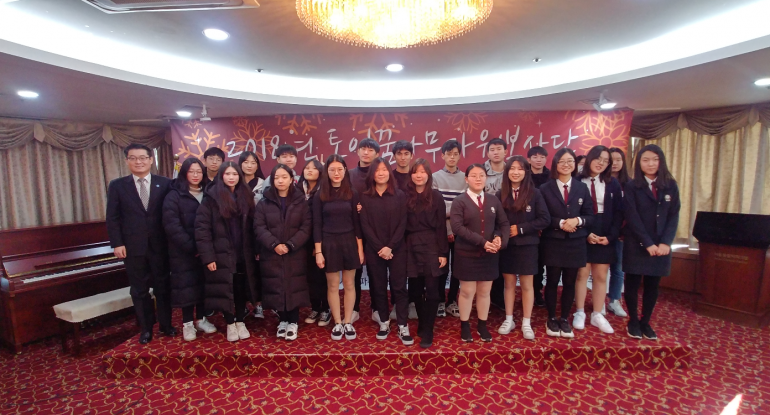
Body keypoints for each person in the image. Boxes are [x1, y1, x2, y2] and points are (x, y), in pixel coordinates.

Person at [106, 143, 174, 344]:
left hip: (160, 246)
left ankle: (166, 324)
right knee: (139, 289)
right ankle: (146, 329)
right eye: (133, 158)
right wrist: (117, 243)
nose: (139, 162)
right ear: (127, 161)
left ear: (151, 160)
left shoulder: (165, 183)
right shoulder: (118, 186)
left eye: (143, 158)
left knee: (163, 286)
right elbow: (112, 217)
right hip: (133, 247)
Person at [195, 162, 258, 342]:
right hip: (221, 253)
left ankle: (240, 321)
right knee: (225, 288)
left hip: (242, 252)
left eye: (235, 174)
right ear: (221, 176)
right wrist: (208, 257)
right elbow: (202, 230)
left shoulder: (246, 195)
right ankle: (230, 323)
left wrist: (255, 250)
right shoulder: (211, 198)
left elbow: (254, 226)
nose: (231, 177)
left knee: (240, 288)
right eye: (228, 174)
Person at [622, 144, 680, 340]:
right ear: (639, 163)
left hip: (661, 244)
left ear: (661, 161)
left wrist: (666, 242)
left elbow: (673, 216)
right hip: (637, 242)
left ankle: (645, 321)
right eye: (645, 160)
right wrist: (647, 243)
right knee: (632, 283)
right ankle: (633, 321)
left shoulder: (670, 185)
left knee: (653, 285)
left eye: (655, 159)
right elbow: (632, 216)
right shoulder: (632, 186)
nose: (651, 164)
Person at [450, 164, 509, 342]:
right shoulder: (459, 201)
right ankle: (465, 326)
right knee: (467, 291)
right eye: (473, 176)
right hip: (466, 254)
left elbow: (503, 223)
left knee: (485, 291)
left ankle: (482, 325)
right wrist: (483, 243)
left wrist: (499, 238)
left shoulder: (493, 200)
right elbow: (457, 227)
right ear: (466, 179)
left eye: (481, 175)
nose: (478, 179)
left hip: (489, 255)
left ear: (486, 178)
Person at [539, 148, 594, 339]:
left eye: (570, 161)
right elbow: (543, 216)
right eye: (562, 161)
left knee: (570, 281)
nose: (566, 164)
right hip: (553, 241)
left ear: (575, 164)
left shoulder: (582, 188)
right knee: (552, 280)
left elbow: (590, 216)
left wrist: (577, 221)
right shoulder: (545, 188)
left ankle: (564, 318)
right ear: (555, 164)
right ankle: (551, 317)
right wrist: (561, 223)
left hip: (576, 243)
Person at [254, 164, 313, 341]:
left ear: (291, 180)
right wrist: (274, 244)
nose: (280, 181)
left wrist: (290, 244)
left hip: (295, 252)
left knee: (294, 286)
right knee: (276, 285)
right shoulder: (264, 202)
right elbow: (259, 227)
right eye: (277, 177)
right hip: (272, 253)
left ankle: (293, 322)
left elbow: (306, 227)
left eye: (284, 177)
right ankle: (283, 320)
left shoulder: (301, 202)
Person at [162, 158, 218, 341]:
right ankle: (187, 323)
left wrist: (205, 248)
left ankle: (201, 319)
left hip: (206, 250)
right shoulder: (174, 195)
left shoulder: (209, 193)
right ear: (184, 173)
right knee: (186, 287)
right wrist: (193, 247)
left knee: (203, 285)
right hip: (183, 252)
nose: (195, 175)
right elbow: (172, 226)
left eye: (199, 172)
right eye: (191, 171)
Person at [495, 156, 550, 340]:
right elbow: (496, 221)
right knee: (508, 284)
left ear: (526, 172)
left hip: (528, 245)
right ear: (507, 171)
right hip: (508, 246)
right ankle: (509, 319)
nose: (515, 172)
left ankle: (526, 322)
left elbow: (544, 219)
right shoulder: (500, 193)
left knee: (527, 285)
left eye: (520, 169)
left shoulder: (535, 193)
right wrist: (499, 236)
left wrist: (520, 229)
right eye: (512, 168)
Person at [359, 158, 412, 345]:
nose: (381, 173)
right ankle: (384, 322)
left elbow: (403, 223)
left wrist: (390, 246)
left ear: (389, 172)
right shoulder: (365, 197)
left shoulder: (399, 195)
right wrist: (379, 248)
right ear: (372, 174)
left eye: (384, 170)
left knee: (399, 287)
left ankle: (403, 324)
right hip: (374, 250)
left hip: (397, 249)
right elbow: (365, 225)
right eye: (377, 170)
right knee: (378, 287)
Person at [313, 155, 365, 341]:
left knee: (350, 284)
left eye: (340, 169)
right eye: (332, 170)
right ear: (326, 172)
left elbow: (357, 224)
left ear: (345, 171)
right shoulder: (320, 194)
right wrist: (319, 252)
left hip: (349, 242)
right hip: (329, 243)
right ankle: (337, 323)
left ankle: (348, 321)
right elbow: (317, 225)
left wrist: (360, 249)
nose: (336, 173)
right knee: (333, 285)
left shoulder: (352, 193)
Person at [573, 146, 623, 334]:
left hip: (605, 232)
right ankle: (579, 312)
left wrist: (610, 237)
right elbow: (573, 211)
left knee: (601, 275)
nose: (601, 163)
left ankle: (597, 314)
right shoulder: (577, 181)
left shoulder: (613, 184)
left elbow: (619, 213)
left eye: (606, 160)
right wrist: (585, 233)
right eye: (598, 158)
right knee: (582, 274)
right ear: (590, 158)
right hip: (583, 229)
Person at [405, 159, 449, 348]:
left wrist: (443, 252)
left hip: (432, 245)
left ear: (428, 175)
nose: (419, 175)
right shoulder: (404, 196)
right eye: (416, 172)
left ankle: (428, 329)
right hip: (410, 245)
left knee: (432, 291)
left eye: (423, 172)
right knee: (415, 290)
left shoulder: (436, 196)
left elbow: (441, 226)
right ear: (411, 175)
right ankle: (423, 322)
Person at [432, 140, 467, 318]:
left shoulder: (466, 178)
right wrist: (447, 229)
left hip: (460, 231)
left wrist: (454, 227)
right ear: (442, 156)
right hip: (440, 232)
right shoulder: (435, 177)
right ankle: (439, 301)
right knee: (441, 268)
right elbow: (435, 209)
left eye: (455, 154)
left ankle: (451, 300)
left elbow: (466, 208)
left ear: (460, 156)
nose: (452, 157)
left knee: (458, 269)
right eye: (448, 154)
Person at [348, 138, 381, 324]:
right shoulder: (349, 175)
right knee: (355, 272)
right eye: (363, 149)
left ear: (377, 154)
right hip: (353, 229)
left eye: (370, 150)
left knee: (376, 271)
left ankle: (377, 307)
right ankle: (354, 308)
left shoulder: (380, 174)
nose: (366, 153)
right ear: (358, 151)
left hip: (376, 230)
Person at [298, 159, 331, 327]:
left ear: (321, 172)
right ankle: (315, 307)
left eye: (314, 168)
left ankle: (326, 308)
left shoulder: (325, 190)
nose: (309, 170)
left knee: (322, 277)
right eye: (307, 167)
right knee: (309, 277)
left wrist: (319, 244)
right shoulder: (297, 189)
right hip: (301, 241)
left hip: (320, 240)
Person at [391, 140, 418, 321]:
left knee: (414, 268)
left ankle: (414, 302)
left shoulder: (417, 175)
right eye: (399, 154)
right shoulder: (389, 177)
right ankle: (396, 303)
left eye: (406, 154)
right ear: (394, 156)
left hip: (414, 229)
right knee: (396, 271)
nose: (402, 157)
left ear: (411, 156)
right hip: (394, 231)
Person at [239, 150, 266, 319]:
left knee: (258, 271)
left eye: (253, 162)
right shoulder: (235, 182)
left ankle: (259, 305)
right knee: (241, 270)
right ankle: (241, 305)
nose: (249, 166)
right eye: (246, 162)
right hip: (239, 233)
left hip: (259, 231)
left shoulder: (263, 184)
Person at [607, 147, 631, 318]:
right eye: (611, 160)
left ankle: (614, 300)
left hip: (621, 233)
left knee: (618, 269)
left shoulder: (630, 184)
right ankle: (597, 302)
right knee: (596, 270)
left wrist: (622, 231)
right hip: (602, 232)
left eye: (618, 160)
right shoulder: (600, 181)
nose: (614, 163)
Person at [528, 146, 550, 308]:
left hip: (547, 224)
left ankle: (537, 292)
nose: (538, 160)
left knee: (541, 262)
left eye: (542, 157)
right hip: (529, 225)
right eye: (535, 157)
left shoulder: (552, 177)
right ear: (528, 160)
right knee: (531, 263)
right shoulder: (523, 175)